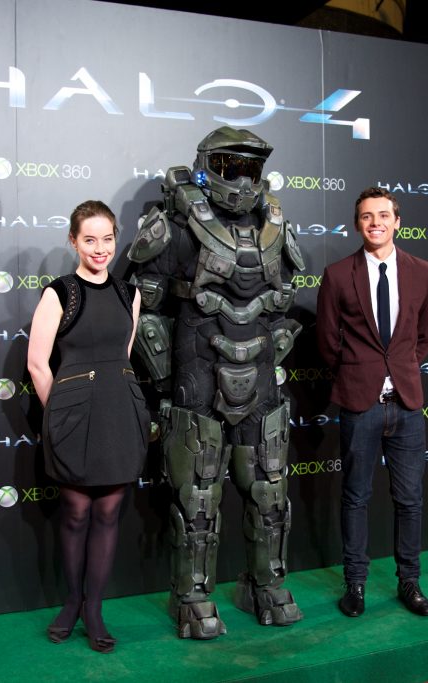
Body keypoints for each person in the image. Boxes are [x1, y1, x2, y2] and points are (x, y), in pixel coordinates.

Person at [128, 126, 305, 639]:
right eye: (230, 167)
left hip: (262, 379)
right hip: (197, 376)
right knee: (198, 497)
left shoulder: (273, 225)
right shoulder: (174, 226)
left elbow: (284, 302)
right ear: (206, 166)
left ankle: (266, 584)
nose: (242, 180)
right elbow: (145, 310)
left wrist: (274, 352)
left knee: (270, 492)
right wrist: (165, 383)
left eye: (250, 168)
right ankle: (192, 596)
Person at [27, 200, 149, 653]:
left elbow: (125, 354)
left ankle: (94, 609)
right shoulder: (59, 293)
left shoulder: (129, 293)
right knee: (76, 512)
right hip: (72, 416)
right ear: (74, 241)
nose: (101, 249)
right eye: (90, 239)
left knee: (108, 513)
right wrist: (59, 415)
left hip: (119, 412)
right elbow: (38, 364)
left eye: (108, 239)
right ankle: (72, 602)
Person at [315, 187, 428, 619]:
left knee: (410, 499)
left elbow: (425, 336)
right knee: (355, 497)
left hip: (406, 402)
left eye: (383, 215)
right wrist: (358, 372)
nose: (375, 223)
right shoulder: (337, 275)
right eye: (367, 216)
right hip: (359, 403)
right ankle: (355, 584)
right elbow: (326, 341)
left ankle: (410, 582)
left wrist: (399, 368)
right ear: (357, 224)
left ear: (397, 222)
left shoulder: (422, 271)